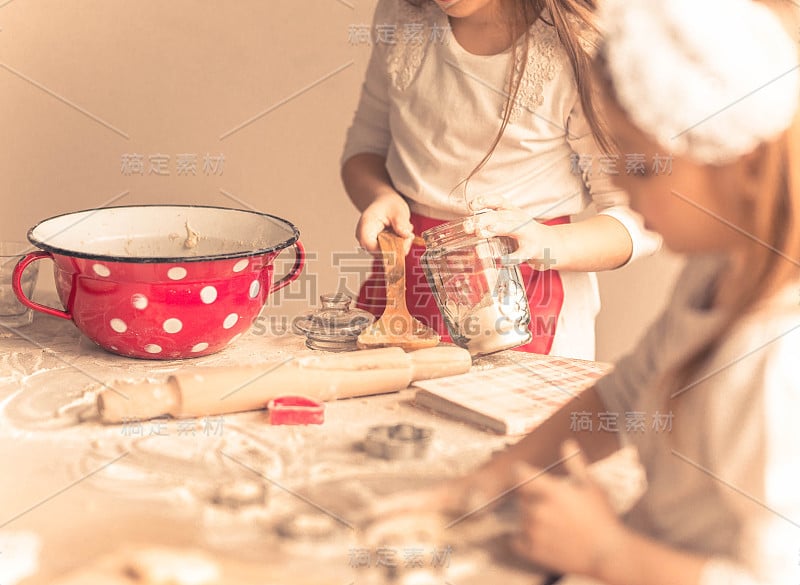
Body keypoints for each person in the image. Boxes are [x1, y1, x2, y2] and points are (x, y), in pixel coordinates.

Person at [394, 0, 800, 582]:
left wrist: (606, 553)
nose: (618, 190)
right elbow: (619, 400)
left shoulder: (776, 356)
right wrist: (485, 481)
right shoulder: (714, 272)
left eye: (642, 168)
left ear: (744, 165)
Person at [341, 0, 661, 359]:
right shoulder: (402, 15)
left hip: (530, 309)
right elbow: (364, 149)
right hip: (405, 287)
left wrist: (547, 241)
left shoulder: (578, 44)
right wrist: (380, 195)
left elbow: (640, 218)